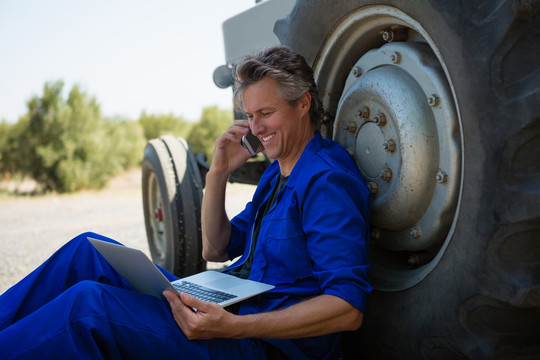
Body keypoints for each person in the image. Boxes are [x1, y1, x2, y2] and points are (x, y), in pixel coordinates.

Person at [0, 46, 371, 360]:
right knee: (86, 251)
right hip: (228, 308)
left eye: (266, 113)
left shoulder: (327, 180)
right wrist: (218, 174)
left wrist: (234, 327)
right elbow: (216, 247)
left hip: (260, 343)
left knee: (88, 308)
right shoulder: (276, 175)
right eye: (249, 116)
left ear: (303, 103)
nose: (255, 128)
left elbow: (347, 308)